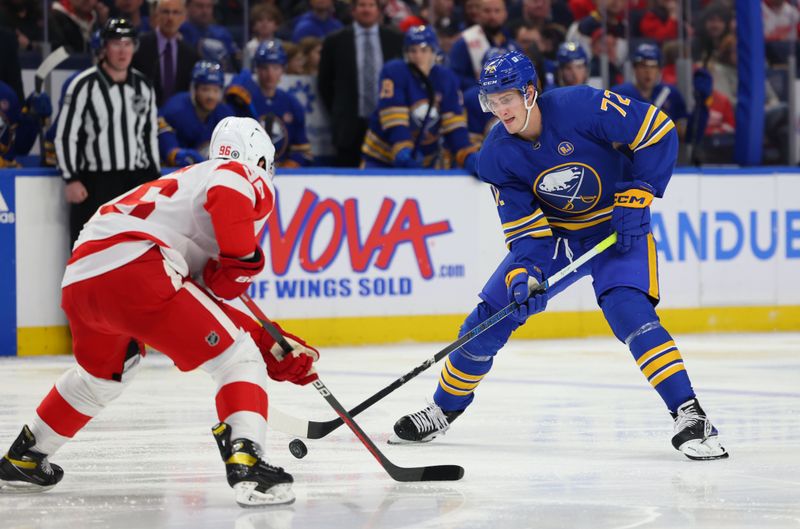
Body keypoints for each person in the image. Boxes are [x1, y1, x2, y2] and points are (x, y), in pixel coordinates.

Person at [390, 51, 728, 462]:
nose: (499, 110)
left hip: (615, 229)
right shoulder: (495, 155)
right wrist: (524, 275)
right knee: (490, 316)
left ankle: (690, 414)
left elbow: (657, 129)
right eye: (491, 102)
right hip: (558, 238)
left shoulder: (580, 105)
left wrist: (641, 189)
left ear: (530, 92)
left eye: (506, 99)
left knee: (629, 311)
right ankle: (443, 409)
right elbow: (527, 234)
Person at [0, 116, 319, 507]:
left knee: (102, 377)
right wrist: (242, 259)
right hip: (138, 267)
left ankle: (25, 455)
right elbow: (230, 187)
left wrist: (267, 338)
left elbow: (198, 303)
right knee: (238, 360)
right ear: (263, 161)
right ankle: (247, 460)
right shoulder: (236, 172)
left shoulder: (184, 186)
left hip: (82, 280)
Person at [56, 18, 160, 247]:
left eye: (127, 43)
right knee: (90, 247)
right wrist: (71, 178)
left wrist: (155, 179)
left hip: (136, 179)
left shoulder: (144, 86)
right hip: (96, 182)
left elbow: (149, 134)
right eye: (116, 43)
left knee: (137, 249)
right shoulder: (84, 85)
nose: (122, 51)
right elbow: (66, 134)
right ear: (104, 47)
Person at [361, 25, 478, 171]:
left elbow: (454, 124)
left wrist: (465, 153)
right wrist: (403, 148)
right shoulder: (394, 71)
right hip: (381, 156)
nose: (417, 56)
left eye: (424, 50)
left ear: (434, 53)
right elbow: (393, 118)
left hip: (426, 161)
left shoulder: (446, 78)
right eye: (412, 50)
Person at [317, 0, 404, 167]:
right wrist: (339, 113)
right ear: (353, 10)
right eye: (362, 5)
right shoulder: (334, 41)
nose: (367, 10)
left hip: (387, 125)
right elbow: (325, 84)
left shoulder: (396, 39)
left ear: (378, 10)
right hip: (348, 128)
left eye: (371, 5)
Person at [226, 40, 312, 168]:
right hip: (248, 170)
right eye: (265, 68)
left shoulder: (292, 104)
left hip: (283, 174)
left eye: (275, 68)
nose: (270, 74)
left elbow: (302, 151)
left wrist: (288, 168)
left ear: (283, 69)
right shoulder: (243, 99)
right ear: (257, 69)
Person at [158, 60, 235, 166]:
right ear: (194, 89)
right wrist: (175, 154)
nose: (211, 96)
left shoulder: (225, 114)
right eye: (205, 89)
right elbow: (167, 146)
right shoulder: (175, 110)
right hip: (176, 172)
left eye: (216, 90)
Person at [611, 44, 688, 139]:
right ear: (634, 68)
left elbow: (684, 133)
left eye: (652, 66)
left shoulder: (671, 94)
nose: (648, 71)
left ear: (659, 70)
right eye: (643, 66)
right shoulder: (619, 94)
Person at [132, 0, 200, 106]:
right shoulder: (139, 46)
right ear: (156, 15)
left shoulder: (191, 54)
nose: (170, 18)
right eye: (165, 12)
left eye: (176, 12)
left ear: (184, 17)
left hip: (176, 115)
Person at [449, 0, 519, 91]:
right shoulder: (465, 42)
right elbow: (454, 78)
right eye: (487, 11)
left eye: (497, 11)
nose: (492, 16)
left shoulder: (511, 44)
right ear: (478, 14)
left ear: (505, 14)